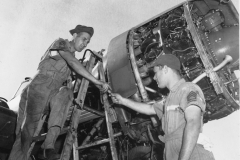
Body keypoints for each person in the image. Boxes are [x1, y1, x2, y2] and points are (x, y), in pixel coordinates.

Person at [8, 25, 110, 160]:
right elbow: (73, 62)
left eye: (88, 42)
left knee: (66, 93)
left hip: (52, 92)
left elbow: (77, 70)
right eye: (83, 39)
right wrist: (97, 82)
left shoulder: (73, 59)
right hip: (38, 88)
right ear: (74, 36)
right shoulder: (61, 43)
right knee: (26, 133)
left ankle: (47, 147)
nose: (85, 44)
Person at [110, 54, 215, 160]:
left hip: (192, 153)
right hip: (171, 151)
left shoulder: (188, 89)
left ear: (165, 69)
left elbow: (193, 123)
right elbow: (150, 109)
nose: (154, 77)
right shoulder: (169, 99)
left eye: (155, 73)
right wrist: (123, 101)